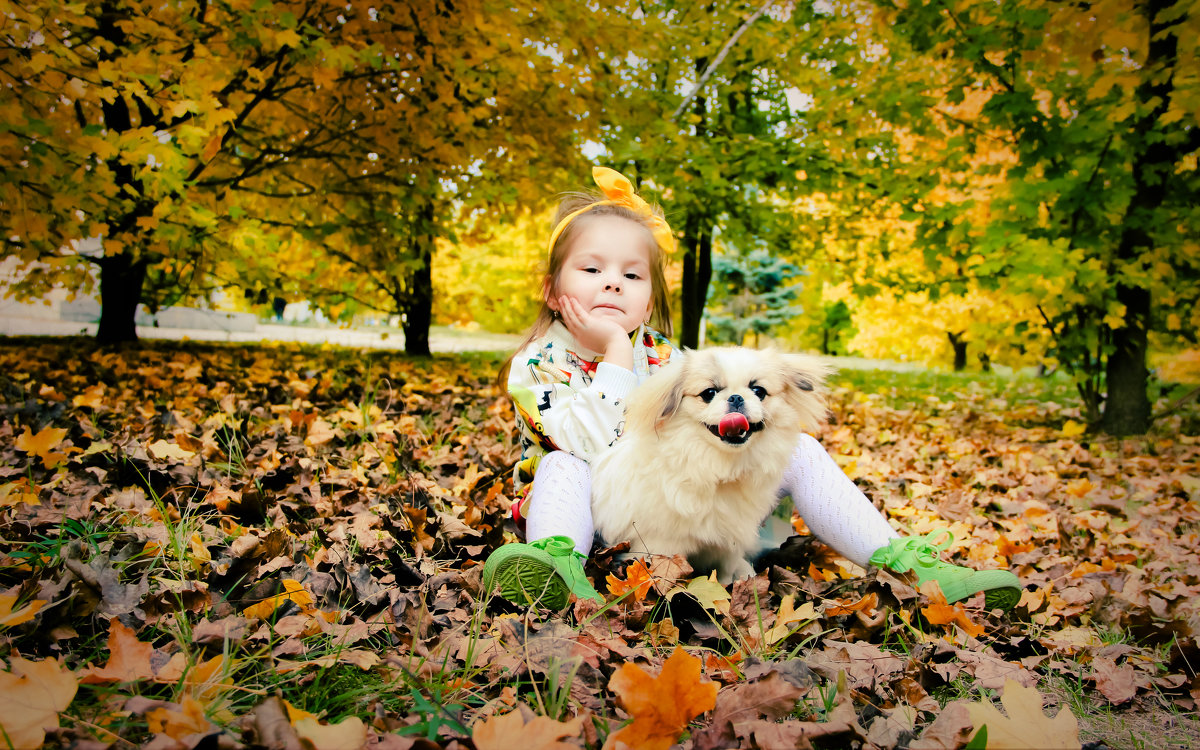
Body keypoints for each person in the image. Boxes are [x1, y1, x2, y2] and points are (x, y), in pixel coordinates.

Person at [480, 166, 1022, 612]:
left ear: (648, 302)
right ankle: (555, 565)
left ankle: (901, 561)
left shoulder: (670, 358)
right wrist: (617, 353)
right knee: (562, 466)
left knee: (801, 448)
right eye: (592, 268)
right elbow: (594, 447)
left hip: (682, 511)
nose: (613, 282)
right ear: (553, 291)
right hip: (591, 520)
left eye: (632, 275)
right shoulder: (538, 365)